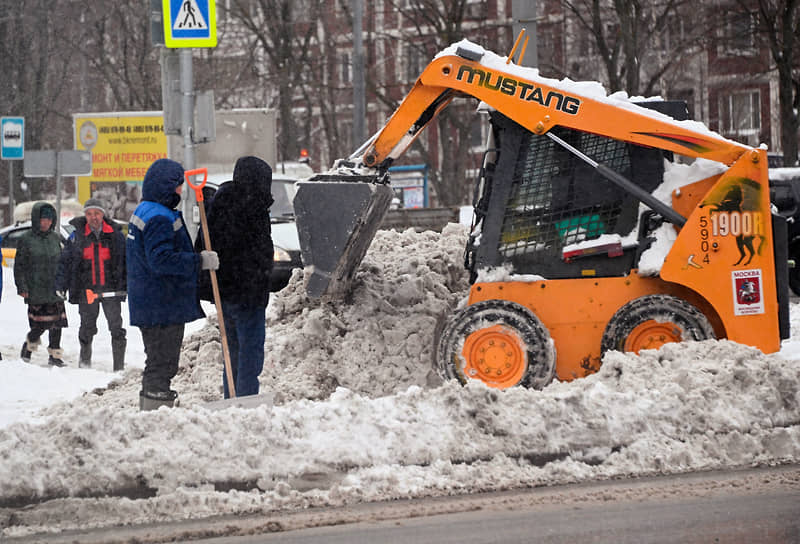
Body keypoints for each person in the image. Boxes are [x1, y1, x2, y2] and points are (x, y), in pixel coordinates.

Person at [127, 158, 218, 411]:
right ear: (167, 187)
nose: (181, 190)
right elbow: (161, 260)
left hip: (152, 301)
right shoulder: (158, 217)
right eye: (178, 185)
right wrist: (198, 261)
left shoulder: (146, 209)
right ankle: (155, 410)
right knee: (162, 362)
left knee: (158, 360)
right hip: (160, 304)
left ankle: (155, 404)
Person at [198, 156, 274, 398]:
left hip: (226, 294)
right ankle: (245, 402)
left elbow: (207, 245)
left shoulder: (218, 205)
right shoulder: (252, 207)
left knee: (232, 353)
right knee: (250, 356)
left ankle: (231, 400)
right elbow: (255, 253)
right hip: (247, 295)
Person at [56, 198, 127, 370]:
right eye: (89, 214)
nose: (93, 217)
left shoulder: (115, 235)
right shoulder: (77, 237)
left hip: (111, 290)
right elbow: (65, 262)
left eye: (96, 213)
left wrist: (126, 284)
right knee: (87, 328)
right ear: (85, 216)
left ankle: (119, 367)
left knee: (116, 328)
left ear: (103, 214)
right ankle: (85, 364)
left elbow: (125, 262)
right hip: (87, 291)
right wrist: (61, 285)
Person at [14, 202, 68, 367]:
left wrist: (64, 283)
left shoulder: (56, 238)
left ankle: (55, 355)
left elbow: (64, 262)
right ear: (36, 219)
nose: (46, 223)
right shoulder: (26, 239)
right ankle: (28, 348)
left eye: (49, 220)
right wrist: (22, 287)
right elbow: (19, 266)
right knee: (40, 324)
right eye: (43, 219)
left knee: (57, 324)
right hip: (36, 289)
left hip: (54, 289)